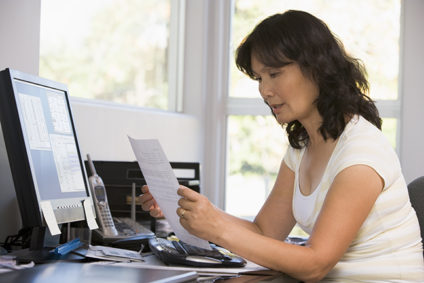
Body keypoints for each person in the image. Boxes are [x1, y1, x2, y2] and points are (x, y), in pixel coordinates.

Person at [140, 10, 424, 282]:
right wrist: (190, 211)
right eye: (259, 78)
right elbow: (264, 231)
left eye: (274, 74)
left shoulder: (361, 152)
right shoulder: (302, 147)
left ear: (317, 68)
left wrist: (217, 227)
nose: (264, 90)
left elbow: (315, 265)